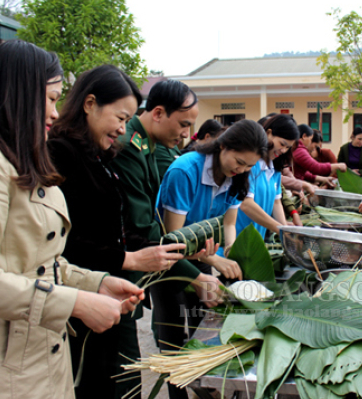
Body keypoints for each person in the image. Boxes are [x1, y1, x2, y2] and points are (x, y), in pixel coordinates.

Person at [0, 40, 145, 399]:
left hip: (39, 353)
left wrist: (94, 283)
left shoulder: (17, 159)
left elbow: (39, 262)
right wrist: (74, 303)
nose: (54, 112)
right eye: (49, 99)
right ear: (19, 93)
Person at [47, 65, 211, 398]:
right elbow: (69, 243)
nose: (122, 129)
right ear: (90, 104)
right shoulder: (63, 154)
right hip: (87, 294)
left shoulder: (104, 152)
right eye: (120, 118)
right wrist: (131, 259)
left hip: (109, 289)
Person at [109, 79, 222, 399]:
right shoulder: (130, 148)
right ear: (158, 113)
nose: (188, 134)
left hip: (138, 268)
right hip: (118, 269)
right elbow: (146, 226)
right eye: (184, 124)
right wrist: (196, 273)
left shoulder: (155, 147)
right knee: (122, 376)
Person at [158, 119, 268, 253]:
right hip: (171, 252)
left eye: (249, 166)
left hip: (201, 249)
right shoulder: (185, 171)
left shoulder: (236, 178)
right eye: (239, 162)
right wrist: (213, 260)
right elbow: (174, 235)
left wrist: (230, 250)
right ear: (223, 145)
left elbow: (229, 223)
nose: (241, 170)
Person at [236, 114, 299, 237]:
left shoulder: (274, 169)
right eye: (282, 144)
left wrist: (285, 231)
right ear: (268, 133)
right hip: (238, 238)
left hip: (257, 239)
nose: (283, 151)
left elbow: (276, 202)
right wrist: (280, 229)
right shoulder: (249, 164)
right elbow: (246, 204)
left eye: (288, 147)